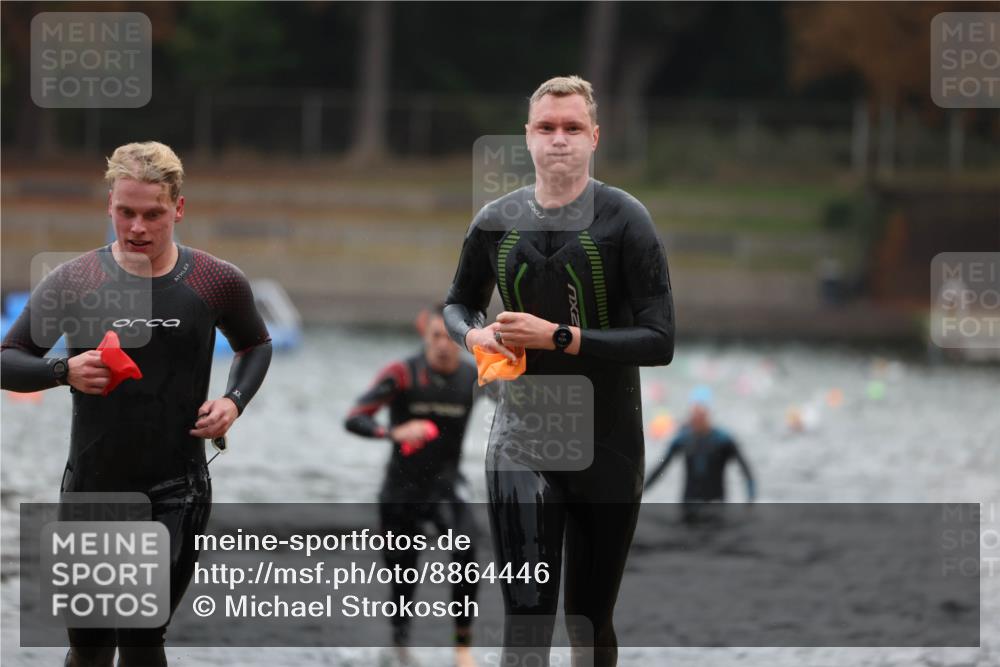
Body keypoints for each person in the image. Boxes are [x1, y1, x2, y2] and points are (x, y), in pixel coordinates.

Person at [1, 141, 272, 667]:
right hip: (92, 487)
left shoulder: (215, 280)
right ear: (110, 207)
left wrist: (234, 402)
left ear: (179, 208)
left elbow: (254, 344)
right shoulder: (75, 281)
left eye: (153, 213)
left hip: (176, 490)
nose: (138, 227)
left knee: (143, 633)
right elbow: (9, 357)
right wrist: (63, 371)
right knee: (89, 645)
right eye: (126, 212)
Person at [443, 76, 675, 667]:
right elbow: (457, 303)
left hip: (609, 442)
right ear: (528, 138)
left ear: (594, 137)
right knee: (525, 618)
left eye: (572, 128)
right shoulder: (495, 220)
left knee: (589, 622)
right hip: (523, 438)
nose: (559, 140)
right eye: (547, 128)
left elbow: (660, 339)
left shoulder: (627, 221)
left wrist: (559, 338)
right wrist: (475, 334)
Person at [344, 304, 484, 667]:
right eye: (435, 336)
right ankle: (401, 643)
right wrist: (393, 431)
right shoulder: (403, 374)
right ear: (425, 337)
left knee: (467, 551)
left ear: (460, 340)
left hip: (447, 486)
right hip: (401, 490)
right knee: (403, 575)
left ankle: (462, 647)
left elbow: (516, 404)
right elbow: (356, 418)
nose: (441, 345)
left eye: (449, 337)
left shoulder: (473, 377)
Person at [644, 388, 756, 519]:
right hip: (688, 507)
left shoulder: (723, 440)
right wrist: (640, 493)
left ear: (708, 414)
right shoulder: (682, 440)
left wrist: (750, 501)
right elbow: (659, 469)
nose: (696, 417)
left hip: (716, 507)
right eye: (694, 413)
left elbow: (746, 471)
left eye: (701, 413)